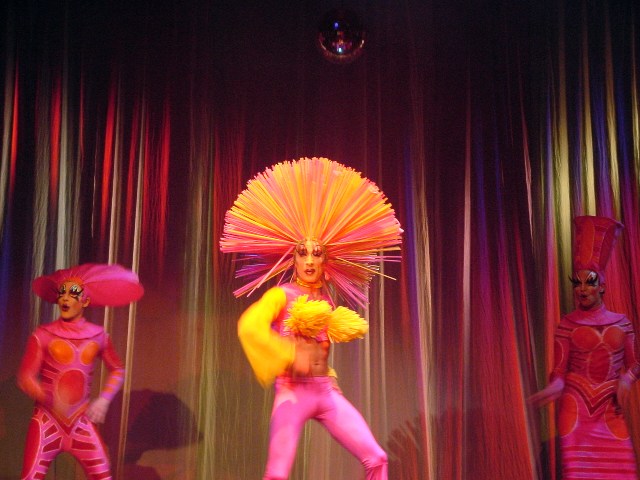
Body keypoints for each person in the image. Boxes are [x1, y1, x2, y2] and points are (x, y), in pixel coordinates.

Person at [220, 157, 402, 480]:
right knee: (277, 474)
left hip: (325, 392)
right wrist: (288, 354)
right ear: (292, 259)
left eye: (316, 254)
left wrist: (327, 373)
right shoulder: (281, 295)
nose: (308, 260)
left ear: (325, 261)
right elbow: (249, 326)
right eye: (301, 253)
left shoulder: (326, 300)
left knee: (377, 458)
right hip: (292, 392)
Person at [530, 216, 640, 478]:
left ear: (602, 287)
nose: (582, 289)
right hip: (576, 408)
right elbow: (560, 370)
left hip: (609, 410)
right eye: (576, 282)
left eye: (589, 282)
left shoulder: (622, 323)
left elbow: (635, 363)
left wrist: (626, 380)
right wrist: (554, 387)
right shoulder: (567, 324)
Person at [17, 263, 144, 480]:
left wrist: (104, 400)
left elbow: (117, 369)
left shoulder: (98, 336)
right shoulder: (43, 334)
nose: (65, 299)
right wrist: (47, 397)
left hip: (80, 423)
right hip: (47, 422)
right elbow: (25, 377)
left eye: (72, 293)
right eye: (62, 293)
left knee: (103, 476)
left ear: (84, 301)